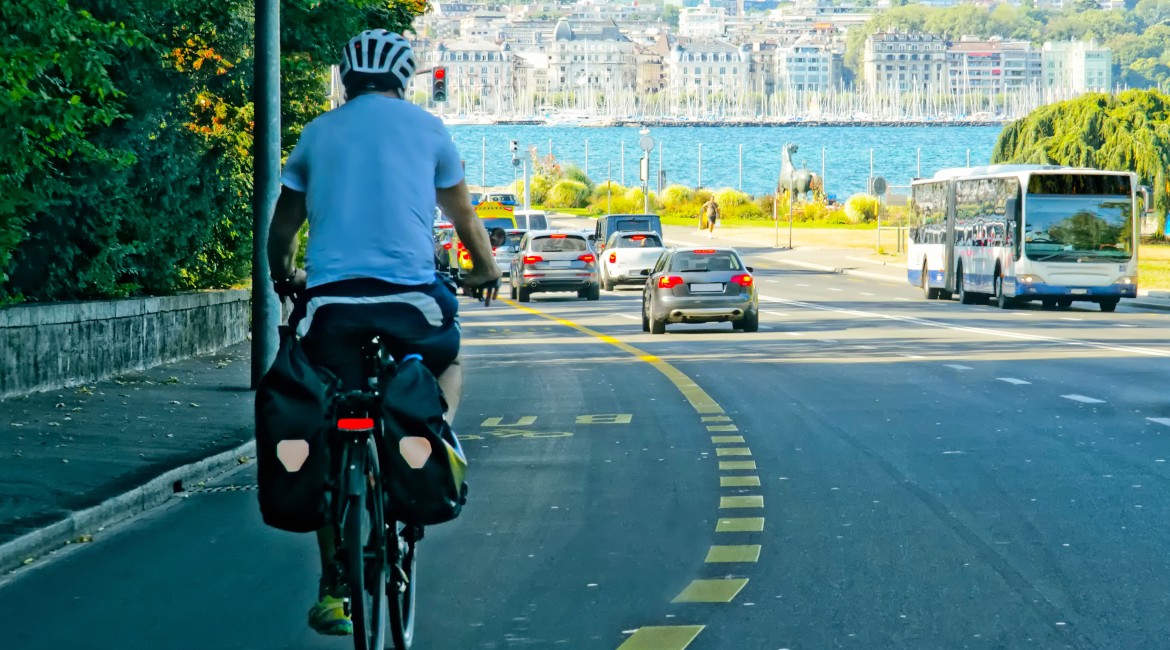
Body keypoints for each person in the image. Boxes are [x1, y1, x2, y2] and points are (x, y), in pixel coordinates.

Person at [266, 29, 499, 637]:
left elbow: (283, 224)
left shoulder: (318, 133)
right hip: (411, 304)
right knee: (445, 358)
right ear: (404, 79)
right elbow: (463, 216)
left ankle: (332, 584)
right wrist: (487, 269)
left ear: (346, 81)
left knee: (321, 414)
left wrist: (282, 275)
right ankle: (435, 436)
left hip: (332, 308)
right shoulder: (429, 132)